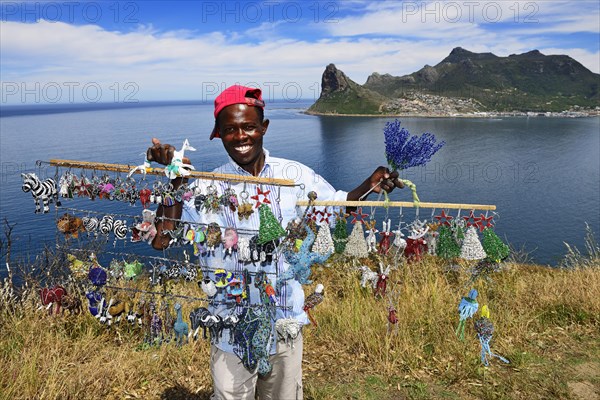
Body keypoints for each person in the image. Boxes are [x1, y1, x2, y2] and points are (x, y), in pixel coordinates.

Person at [146, 85, 403, 400]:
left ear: (263, 127)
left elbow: (336, 204)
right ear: (218, 134)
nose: (241, 136)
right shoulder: (207, 186)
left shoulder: (293, 175)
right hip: (230, 326)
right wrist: (175, 179)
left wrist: (369, 184)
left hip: (284, 320)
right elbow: (162, 238)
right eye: (230, 130)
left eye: (249, 126)